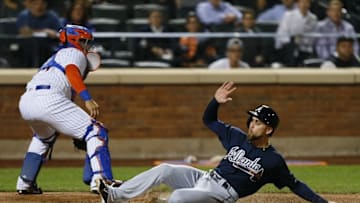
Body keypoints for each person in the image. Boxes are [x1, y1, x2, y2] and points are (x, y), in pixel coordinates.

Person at [97, 81, 335, 203]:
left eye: (258, 122)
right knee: (165, 169)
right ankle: (114, 196)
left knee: (178, 198)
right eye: (251, 120)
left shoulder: (273, 161)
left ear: (269, 129)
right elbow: (209, 119)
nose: (252, 124)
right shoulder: (237, 137)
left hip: (221, 195)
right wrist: (215, 101)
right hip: (205, 179)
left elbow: (296, 185)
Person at [16, 24, 120, 195]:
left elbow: (64, 105)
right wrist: (87, 98)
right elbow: (72, 71)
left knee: (44, 137)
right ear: (73, 39)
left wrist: (76, 130)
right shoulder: (74, 52)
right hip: (48, 99)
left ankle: (25, 182)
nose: (87, 45)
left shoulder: (54, 58)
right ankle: (102, 180)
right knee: (97, 131)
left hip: (27, 101)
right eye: (84, 41)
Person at [16, 0, 62, 67]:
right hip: (28, 47)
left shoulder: (52, 16)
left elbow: (60, 33)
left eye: (42, 4)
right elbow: (24, 32)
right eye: (36, 4)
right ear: (31, 4)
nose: (39, 6)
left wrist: (54, 34)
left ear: (46, 5)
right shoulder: (24, 15)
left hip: (48, 47)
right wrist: (44, 31)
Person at [275, 0, 318, 66]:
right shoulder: (288, 15)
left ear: (309, 4)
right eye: (302, 2)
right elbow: (281, 34)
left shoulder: (313, 18)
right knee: (291, 51)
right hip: (288, 47)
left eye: (306, 2)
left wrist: (300, 40)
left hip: (305, 48)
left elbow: (312, 38)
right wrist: (293, 41)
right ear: (298, 4)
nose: (304, 5)